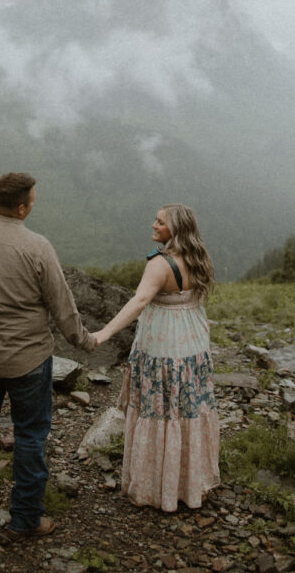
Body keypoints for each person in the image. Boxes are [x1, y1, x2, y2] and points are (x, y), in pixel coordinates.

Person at [0, 172, 96, 537]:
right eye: (33, 202)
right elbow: (62, 306)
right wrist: (84, 341)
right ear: (22, 207)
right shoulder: (37, 247)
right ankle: (25, 519)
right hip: (28, 359)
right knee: (30, 434)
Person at [93, 204, 219, 511]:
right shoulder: (198, 258)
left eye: (160, 223)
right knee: (187, 409)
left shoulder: (160, 264)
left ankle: (156, 486)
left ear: (174, 230)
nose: (153, 225)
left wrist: (104, 333)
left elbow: (139, 302)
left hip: (162, 344)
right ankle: (188, 484)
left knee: (160, 409)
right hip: (192, 343)